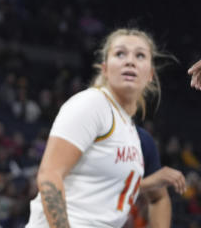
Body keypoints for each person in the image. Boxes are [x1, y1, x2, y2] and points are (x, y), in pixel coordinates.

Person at [26, 28, 163, 228]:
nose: (130, 61)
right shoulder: (92, 104)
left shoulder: (131, 132)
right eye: (120, 54)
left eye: (140, 55)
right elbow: (49, 175)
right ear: (105, 69)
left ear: (150, 74)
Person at [137, 126, 186, 228]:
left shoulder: (143, 139)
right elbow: (100, 189)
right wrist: (147, 183)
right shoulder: (97, 129)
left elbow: (159, 198)